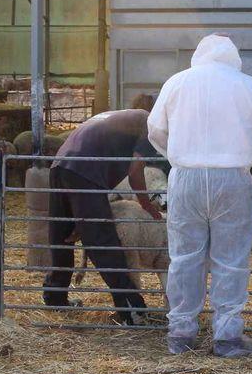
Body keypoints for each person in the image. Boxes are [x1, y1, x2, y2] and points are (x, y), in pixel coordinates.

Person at [147, 34, 252, 357]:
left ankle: (180, 333)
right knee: (231, 258)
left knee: (184, 257)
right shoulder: (248, 85)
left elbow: (155, 129)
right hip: (233, 178)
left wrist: (177, 155)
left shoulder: (176, 83)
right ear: (233, 57)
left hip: (186, 178)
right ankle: (227, 336)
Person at [43, 108, 162, 325]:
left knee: (62, 234)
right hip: (85, 170)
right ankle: (131, 309)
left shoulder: (125, 116)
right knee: (103, 241)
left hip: (61, 165)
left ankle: (55, 297)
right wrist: (146, 204)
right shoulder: (150, 125)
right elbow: (136, 171)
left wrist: (84, 218)